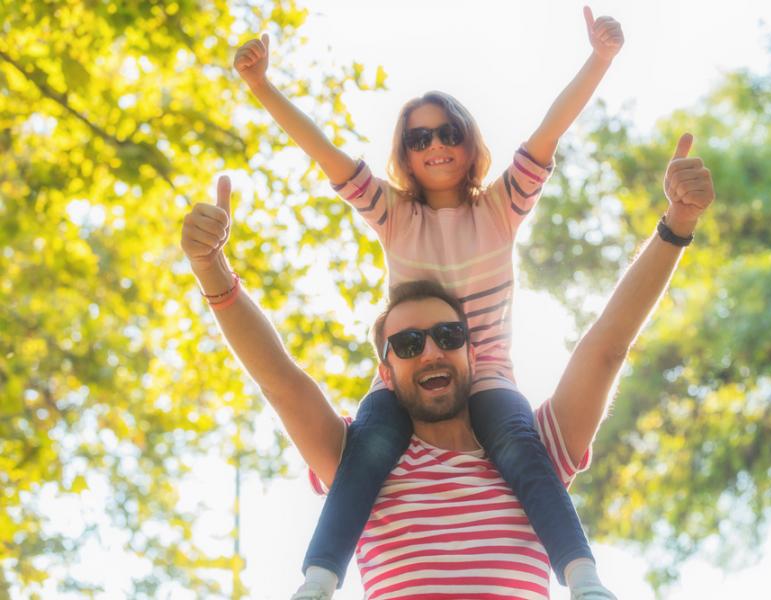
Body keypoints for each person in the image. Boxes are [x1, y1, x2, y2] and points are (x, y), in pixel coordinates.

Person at [180, 133, 715, 599]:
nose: (432, 351)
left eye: (448, 336)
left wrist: (678, 224)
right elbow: (279, 380)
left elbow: (607, 345)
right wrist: (210, 267)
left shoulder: (539, 450)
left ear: (471, 354)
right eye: (408, 343)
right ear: (385, 374)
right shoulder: (358, 464)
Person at [231, 6, 626, 596]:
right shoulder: (394, 215)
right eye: (419, 138)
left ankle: (583, 576)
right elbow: (324, 152)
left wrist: (599, 59)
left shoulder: (500, 209)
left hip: (487, 377)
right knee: (368, 451)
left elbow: (550, 131)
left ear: (468, 143)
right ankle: (319, 578)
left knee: (523, 452)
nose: (435, 144)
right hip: (405, 382)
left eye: (447, 132)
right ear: (406, 154)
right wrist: (262, 86)